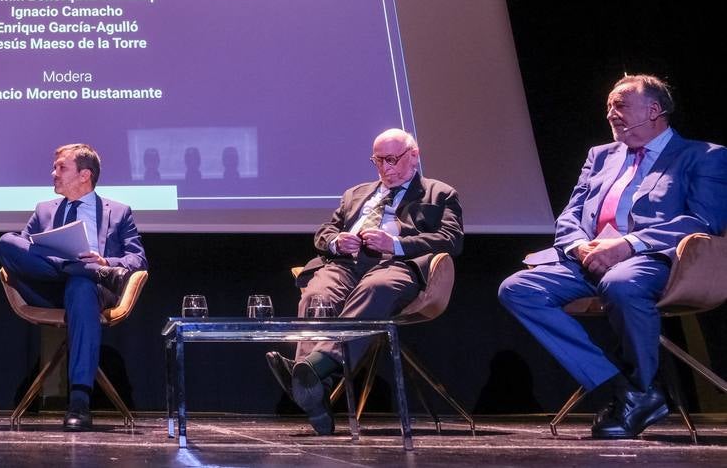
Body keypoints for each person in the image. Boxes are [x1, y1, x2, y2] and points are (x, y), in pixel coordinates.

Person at [499, 74, 727, 439]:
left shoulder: (702, 156)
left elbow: (704, 220)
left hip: (660, 261)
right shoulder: (600, 156)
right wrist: (577, 246)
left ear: (654, 110)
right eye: (608, 106)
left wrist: (628, 244)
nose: (611, 114)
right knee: (518, 288)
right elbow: (571, 214)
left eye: (620, 105)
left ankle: (636, 390)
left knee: (621, 282)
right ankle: (626, 388)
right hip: (589, 259)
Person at [266, 128, 463, 435]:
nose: (386, 168)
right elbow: (323, 233)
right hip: (346, 265)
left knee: (376, 289)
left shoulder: (440, 193)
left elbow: (450, 240)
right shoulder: (355, 194)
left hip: (395, 265)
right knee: (315, 295)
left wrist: (395, 244)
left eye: (392, 159)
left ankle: (313, 370)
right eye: (379, 161)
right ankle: (314, 386)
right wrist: (336, 242)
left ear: (414, 155)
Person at [0, 143, 147, 431]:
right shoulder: (43, 210)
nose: (53, 173)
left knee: (79, 284)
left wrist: (106, 259)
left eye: (61, 168)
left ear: (84, 175)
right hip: (47, 288)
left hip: (89, 293)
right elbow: (22, 253)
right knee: (6, 242)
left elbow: (138, 258)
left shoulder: (118, 212)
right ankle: (89, 271)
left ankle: (79, 401)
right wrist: (95, 269)